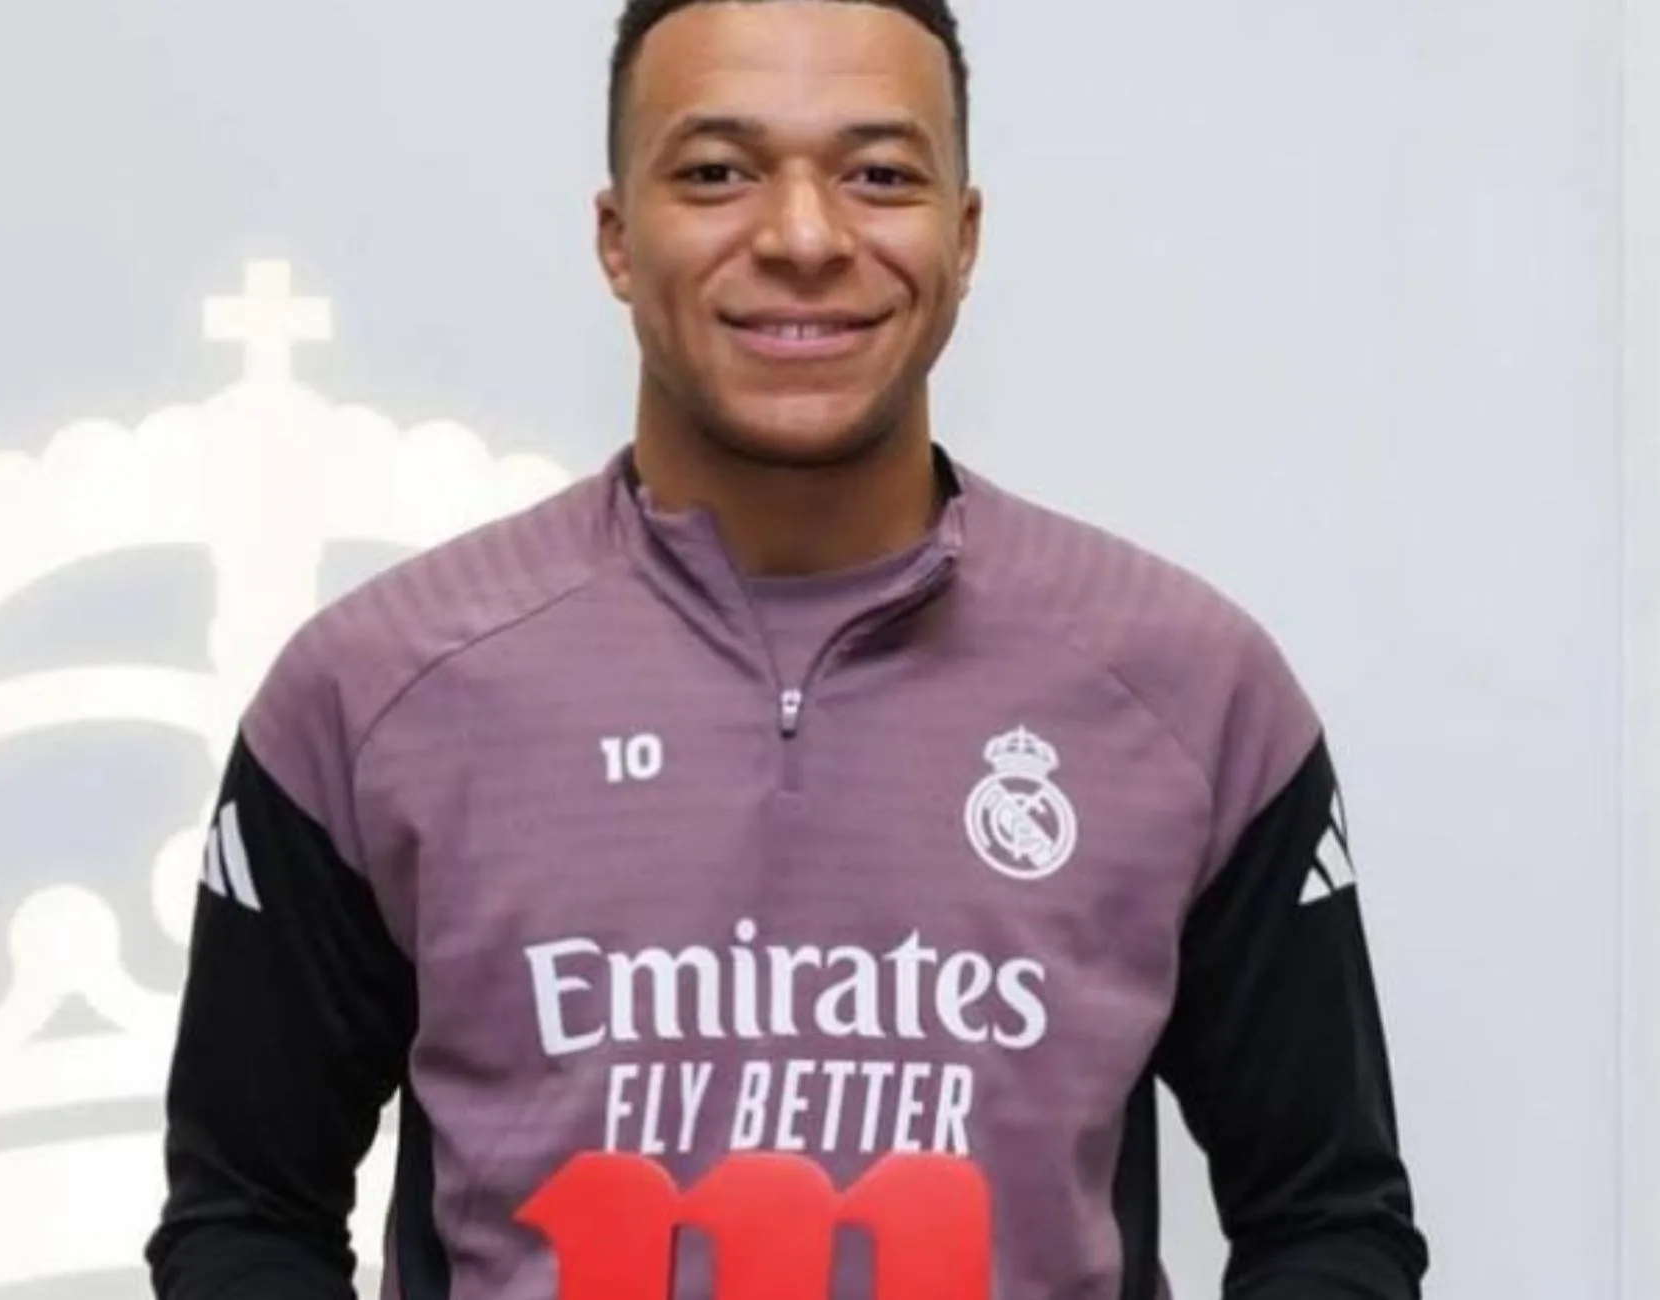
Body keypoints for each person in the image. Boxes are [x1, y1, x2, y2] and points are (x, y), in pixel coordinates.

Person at [145, 1, 1430, 1296]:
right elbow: (246, 1218)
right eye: (718, 173)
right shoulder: (374, 693)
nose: (804, 238)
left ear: (964, 235)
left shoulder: (1193, 694)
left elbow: (1327, 1223)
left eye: (880, 176)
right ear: (617, 236)